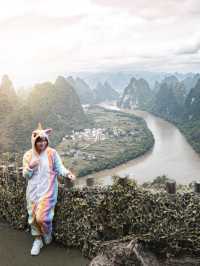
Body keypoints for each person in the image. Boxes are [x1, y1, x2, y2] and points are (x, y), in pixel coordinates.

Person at [23, 123, 75, 256]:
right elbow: (26, 175)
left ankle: (47, 232)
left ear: (47, 140)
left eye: (44, 140)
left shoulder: (52, 153)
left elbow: (59, 167)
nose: (42, 143)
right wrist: (30, 167)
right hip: (33, 192)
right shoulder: (28, 156)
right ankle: (38, 240)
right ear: (34, 141)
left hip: (48, 190)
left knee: (42, 218)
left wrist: (67, 173)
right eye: (39, 140)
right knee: (33, 217)